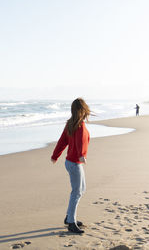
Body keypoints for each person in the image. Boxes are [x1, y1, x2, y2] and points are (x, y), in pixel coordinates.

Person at [51, 98, 90, 234]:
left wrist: (55, 156)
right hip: (74, 162)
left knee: (81, 189)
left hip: (72, 162)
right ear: (82, 110)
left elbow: (62, 141)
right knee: (76, 192)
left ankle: (69, 217)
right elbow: (78, 141)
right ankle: (71, 223)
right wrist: (81, 155)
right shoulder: (78, 125)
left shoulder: (71, 123)